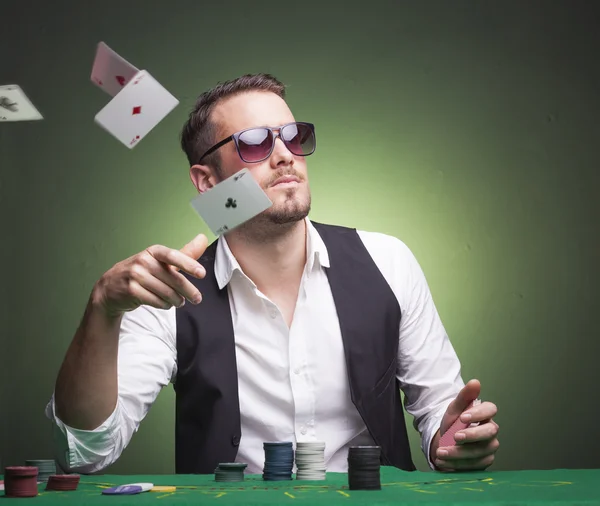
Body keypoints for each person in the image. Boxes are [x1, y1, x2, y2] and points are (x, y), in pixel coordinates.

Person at [46, 73, 499, 475]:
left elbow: (442, 413)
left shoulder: (388, 261)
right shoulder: (168, 294)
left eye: (293, 136)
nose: (285, 156)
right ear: (207, 180)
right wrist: (102, 309)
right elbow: (85, 452)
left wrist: (454, 438)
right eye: (256, 142)